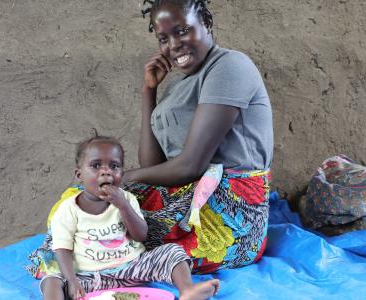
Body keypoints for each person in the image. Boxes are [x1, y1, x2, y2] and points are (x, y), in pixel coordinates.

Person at [26, 0, 273, 282]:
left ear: (206, 23)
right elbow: (153, 165)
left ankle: (77, 270)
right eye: (164, 38)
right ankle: (75, 263)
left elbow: (191, 165)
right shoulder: (180, 85)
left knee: (117, 228)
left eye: (182, 31)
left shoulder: (230, 66)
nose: (174, 44)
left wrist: (119, 179)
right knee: (83, 203)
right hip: (188, 195)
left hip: (230, 215)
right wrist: (149, 90)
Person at [40, 132, 219, 300]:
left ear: (121, 174)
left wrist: (123, 206)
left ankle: (187, 289)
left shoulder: (127, 199)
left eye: (114, 166)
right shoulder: (68, 209)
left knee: (172, 251)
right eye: (96, 166)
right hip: (89, 277)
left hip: (132, 269)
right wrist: (72, 280)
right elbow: (62, 249)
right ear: (79, 175)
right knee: (52, 279)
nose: (106, 171)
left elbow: (140, 235)